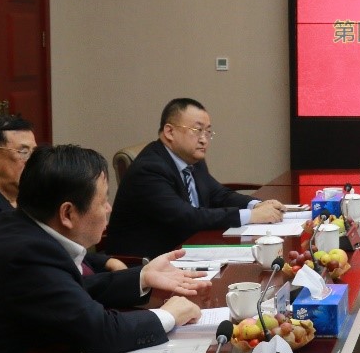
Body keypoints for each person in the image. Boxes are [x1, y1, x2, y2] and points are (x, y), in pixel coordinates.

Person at [0, 145, 204, 353]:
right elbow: (101, 332)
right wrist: (169, 315)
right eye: (103, 200)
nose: (109, 209)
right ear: (67, 214)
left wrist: (141, 277)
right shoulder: (26, 252)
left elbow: (67, 294)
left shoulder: (22, 227)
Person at [0, 115, 126, 290]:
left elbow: (56, 246)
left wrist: (103, 262)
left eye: (34, 153)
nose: (33, 162)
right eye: (24, 152)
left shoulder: (28, 195)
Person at [103, 98, 284, 258]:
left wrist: (255, 205)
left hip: (189, 248)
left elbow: (218, 194)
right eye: (197, 130)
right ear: (169, 132)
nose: (204, 139)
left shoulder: (191, 160)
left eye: (208, 132)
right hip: (146, 263)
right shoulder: (149, 169)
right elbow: (186, 217)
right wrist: (251, 216)